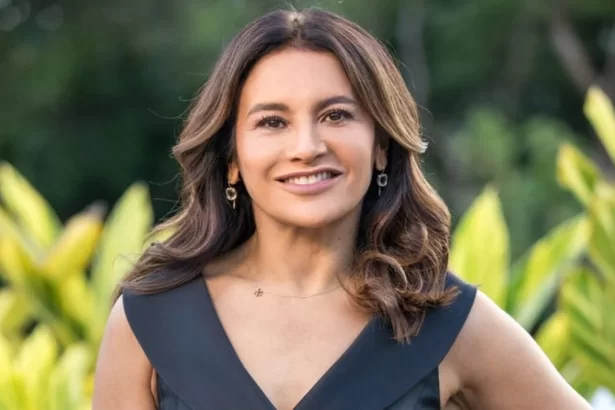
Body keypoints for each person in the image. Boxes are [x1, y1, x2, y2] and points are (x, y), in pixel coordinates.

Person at [92, 8, 591, 410]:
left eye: (336, 115)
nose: (307, 146)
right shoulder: (150, 320)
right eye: (272, 122)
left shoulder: (446, 321)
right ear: (231, 160)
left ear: (380, 146)